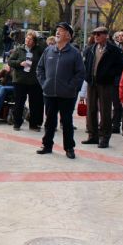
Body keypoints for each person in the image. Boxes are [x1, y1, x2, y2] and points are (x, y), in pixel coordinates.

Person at [36, 22, 85, 159]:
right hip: (49, 93)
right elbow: (39, 69)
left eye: (61, 31)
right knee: (50, 121)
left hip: (67, 95)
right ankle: (47, 145)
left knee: (67, 122)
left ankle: (69, 148)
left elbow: (80, 74)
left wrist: (71, 87)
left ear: (68, 36)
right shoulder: (49, 50)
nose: (58, 32)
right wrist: (44, 84)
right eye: (57, 30)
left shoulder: (74, 53)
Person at [81, 27, 123, 148]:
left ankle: (104, 137)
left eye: (98, 34)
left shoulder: (113, 50)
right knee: (91, 110)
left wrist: (108, 75)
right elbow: (85, 64)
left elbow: (120, 67)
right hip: (91, 82)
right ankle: (92, 136)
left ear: (106, 35)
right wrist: (87, 76)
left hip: (105, 84)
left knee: (105, 111)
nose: (96, 36)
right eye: (94, 34)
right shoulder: (90, 49)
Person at [8, 30, 44, 131]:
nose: (27, 40)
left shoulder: (38, 50)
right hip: (20, 81)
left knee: (34, 104)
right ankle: (17, 123)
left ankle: (33, 124)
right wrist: (20, 63)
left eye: (30, 39)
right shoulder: (19, 49)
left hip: (34, 81)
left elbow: (45, 48)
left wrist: (39, 37)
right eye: (27, 38)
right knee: (19, 102)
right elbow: (10, 61)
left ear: (34, 41)